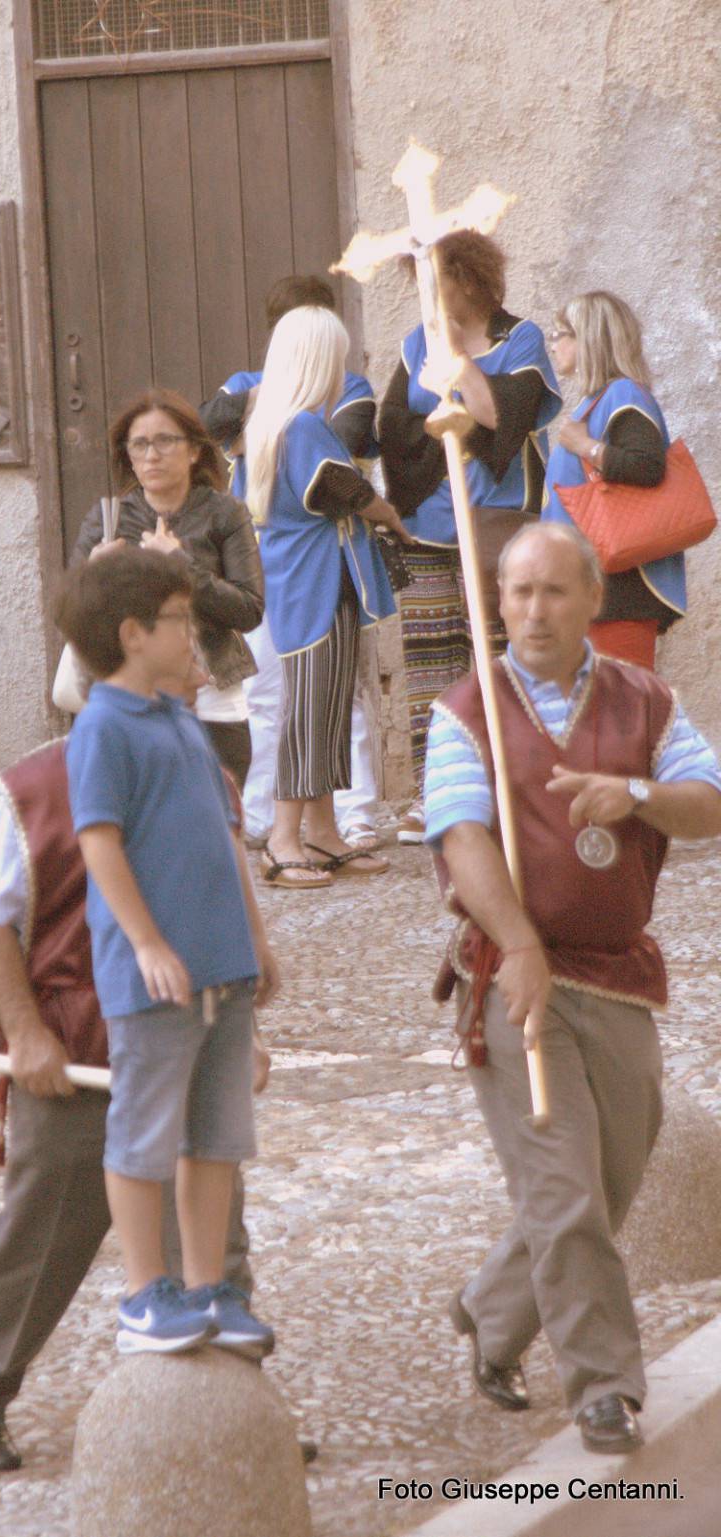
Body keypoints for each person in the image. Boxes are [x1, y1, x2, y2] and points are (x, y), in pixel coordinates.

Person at [0, 650, 277, 1472]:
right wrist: (26, 1035)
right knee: (43, 1234)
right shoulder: (34, 787)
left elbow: (223, 897)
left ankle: (231, 1410)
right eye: (178, 638)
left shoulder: (203, 766)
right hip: (77, 1049)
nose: (201, 661)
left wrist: (243, 1024)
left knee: (213, 1247)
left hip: (186, 1038)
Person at [424, 521, 721, 1453]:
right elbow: (462, 836)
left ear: (595, 600)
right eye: (517, 592)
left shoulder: (649, 700)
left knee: (611, 1179)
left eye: (554, 591)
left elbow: (710, 802)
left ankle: (490, 1307)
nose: (533, 610)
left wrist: (633, 794)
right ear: (497, 602)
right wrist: (517, 944)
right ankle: (603, 1385)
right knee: (564, 1189)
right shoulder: (465, 708)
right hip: (517, 975)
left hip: (619, 973)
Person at [57, 546, 276, 1356]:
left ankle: (208, 1283)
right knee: (144, 1135)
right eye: (180, 619)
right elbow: (99, 842)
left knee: (216, 1136)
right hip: (155, 980)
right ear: (132, 633)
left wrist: (254, 936)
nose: (193, 632)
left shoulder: (184, 718)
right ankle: (145, 1292)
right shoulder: (103, 729)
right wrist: (146, 941)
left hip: (221, 967)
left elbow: (222, 837)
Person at [379, 231, 561, 843]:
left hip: (499, 527)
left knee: (504, 656)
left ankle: (515, 786)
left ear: (472, 278)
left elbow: (501, 417)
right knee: (433, 661)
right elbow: (394, 423)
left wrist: (459, 359)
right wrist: (430, 433)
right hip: (430, 527)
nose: (429, 294)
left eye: (439, 279)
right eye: (421, 281)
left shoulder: (520, 338)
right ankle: (439, 790)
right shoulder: (412, 344)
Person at [201, 274, 385, 847]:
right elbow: (210, 423)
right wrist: (391, 516)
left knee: (330, 700)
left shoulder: (334, 393)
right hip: (288, 569)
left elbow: (346, 442)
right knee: (288, 698)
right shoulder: (276, 403)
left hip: (301, 562)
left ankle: (339, 822)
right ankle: (276, 829)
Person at [243, 305, 404, 889]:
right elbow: (347, 489)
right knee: (311, 712)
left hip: (301, 578)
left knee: (328, 706)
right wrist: (392, 517)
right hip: (315, 580)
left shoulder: (266, 422)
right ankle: (284, 840)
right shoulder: (305, 427)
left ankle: (323, 831)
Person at [70, 387, 263, 789]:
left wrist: (182, 566)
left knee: (218, 811)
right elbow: (70, 613)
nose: (151, 455)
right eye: (138, 445)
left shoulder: (225, 513)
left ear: (194, 450)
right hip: (131, 688)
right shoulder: (109, 518)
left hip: (211, 687)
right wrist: (94, 575)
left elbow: (249, 609)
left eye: (164, 441)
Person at [543, 290, 684, 669]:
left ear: (588, 338)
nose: (553, 345)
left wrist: (586, 446)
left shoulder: (623, 393)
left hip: (617, 593)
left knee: (617, 715)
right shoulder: (599, 399)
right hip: (591, 590)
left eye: (560, 334)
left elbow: (646, 465)